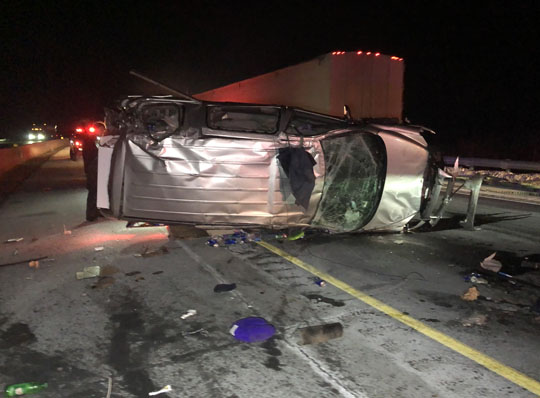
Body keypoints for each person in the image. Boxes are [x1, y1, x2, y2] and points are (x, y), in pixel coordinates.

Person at [81, 121, 105, 221]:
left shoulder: (93, 140)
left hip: (93, 168)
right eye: (102, 130)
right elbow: (92, 155)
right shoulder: (89, 141)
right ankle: (90, 214)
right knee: (93, 191)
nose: (103, 132)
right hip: (92, 169)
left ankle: (97, 211)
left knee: (97, 191)